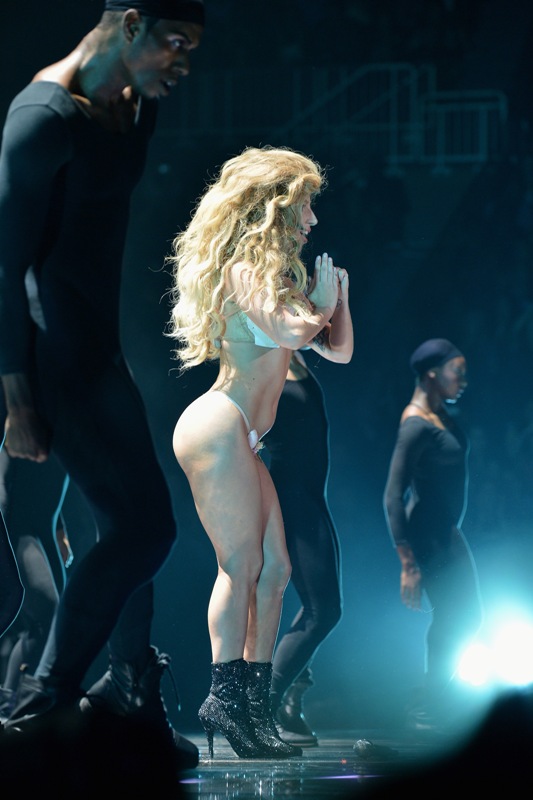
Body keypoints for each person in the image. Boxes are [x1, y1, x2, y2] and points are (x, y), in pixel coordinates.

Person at [0, 0, 204, 769]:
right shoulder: (42, 117)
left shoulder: (135, 108)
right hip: (50, 358)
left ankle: (128, 692)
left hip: (99, 350)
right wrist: (18, 399)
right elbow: (5, 267)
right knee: (145, 529)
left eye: (191, 50)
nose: (182, 64)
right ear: (128, 24)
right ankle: (43, 706)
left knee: (125, 527)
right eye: (174, 44)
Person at [167, 145, 353, 758]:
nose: (312, 219)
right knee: (241, 567)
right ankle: (224, 697)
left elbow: (338, 351)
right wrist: (320, 306)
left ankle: (252, 707)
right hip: (218, 425)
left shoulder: (280, 279)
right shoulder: (245, 270)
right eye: (305, 205)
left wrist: (337, 299)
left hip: (244, 436)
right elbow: (291, 331)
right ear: (275, 205)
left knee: (276, 572)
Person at [383, 338, 483, 734]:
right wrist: (408, 563)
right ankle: (428, 704)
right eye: (457, 371)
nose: (463, 380)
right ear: (431, 373)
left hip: (446, 531)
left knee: (466, 617)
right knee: (456, 617)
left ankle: (435, 700)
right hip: (428, 535)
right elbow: (392, 497)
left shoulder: (438, 414)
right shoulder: (415, 425)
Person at [266, 350, 343, 748]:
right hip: (291, 497)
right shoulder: (262, 357)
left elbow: (341, 346)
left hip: (311, 498)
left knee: (323, 609)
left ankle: (285, 702)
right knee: (322, 611)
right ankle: (265, 706)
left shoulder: (294, 356)